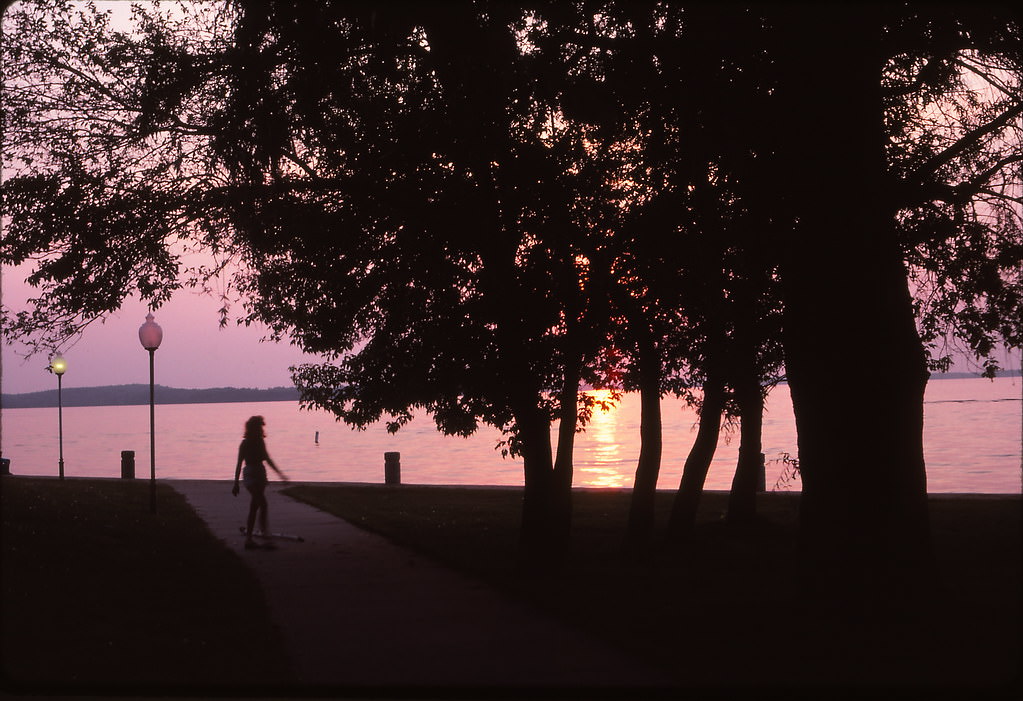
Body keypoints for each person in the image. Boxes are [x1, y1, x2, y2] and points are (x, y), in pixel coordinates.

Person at [232, 415, 288, 549]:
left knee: (255, 506)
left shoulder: (260, 442)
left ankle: (250, 538)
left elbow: (267, 459)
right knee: (262, 504)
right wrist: (236, 483)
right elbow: (239, 463)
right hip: (251, 474)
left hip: (260, 473)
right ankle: (263, 536)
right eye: (259, 427)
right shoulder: (244, 444)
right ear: (253, 428)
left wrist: (280, 474)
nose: (261, 430)